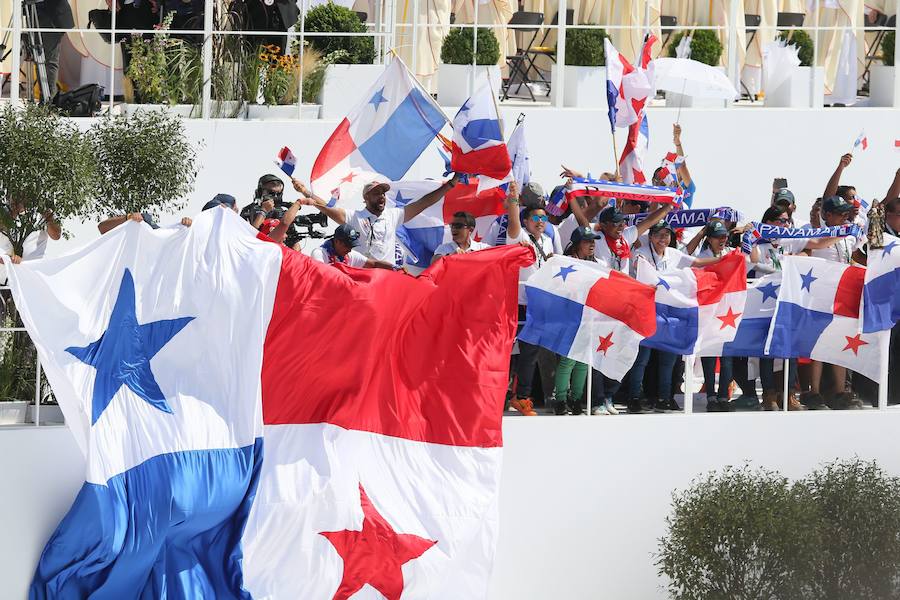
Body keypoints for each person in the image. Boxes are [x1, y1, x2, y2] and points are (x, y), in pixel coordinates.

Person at [299, 175, 459, 264]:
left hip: (383, 277)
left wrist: (450, 185)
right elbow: (327, 207)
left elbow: (424, 203)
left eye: (383, 193)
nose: (381, 196)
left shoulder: (393, 215)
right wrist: (307, 192)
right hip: (358, 275)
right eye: (376, 193)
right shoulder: (354, 217)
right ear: (366, 198)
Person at [504, 181, 553, 416]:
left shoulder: (548, 241)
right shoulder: (520, 235)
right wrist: (513, 199)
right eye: (535, 218)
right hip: (517, 305)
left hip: (539, 307)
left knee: (530, 354)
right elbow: (513, 223)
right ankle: (501, 396)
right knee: (507, 353)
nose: (541, 222)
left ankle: (521, 397)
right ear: (526, 221)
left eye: (544, 218)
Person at [552, 225, 600, 415]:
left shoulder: (596, 262)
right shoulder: (566, 263)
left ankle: (576, 399)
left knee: (583, 362)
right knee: (568, 361)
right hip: (569, 317)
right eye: (588, 241)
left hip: (589, 318)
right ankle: (561, 400)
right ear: (576, 244)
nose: (592, 245)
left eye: (593, 241)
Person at [311, 224, 396, 270]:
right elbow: (321, 272)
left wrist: (395, 268)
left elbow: (374, 264)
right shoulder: (319, 253)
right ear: (337, 241)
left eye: (351, 246)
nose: (349, 249)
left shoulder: (350, 255)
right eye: (347, 245)